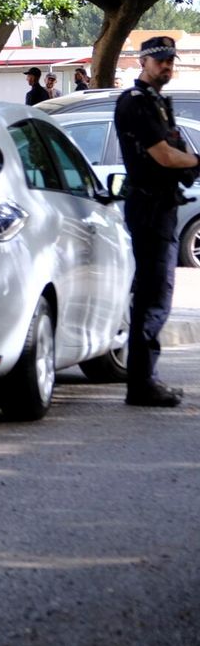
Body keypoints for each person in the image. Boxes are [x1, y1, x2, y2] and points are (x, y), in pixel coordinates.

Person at [113, 36, 194, 408]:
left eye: (170, 60)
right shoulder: (137, 103)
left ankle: (144, 379)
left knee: (154, 292)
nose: (166, 65)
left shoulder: (157, 103)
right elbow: (163, 155)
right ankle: (143, 382)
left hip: (160, 206)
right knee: (153, 295)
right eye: (159, 59)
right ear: (142, 62)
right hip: (149, 207)